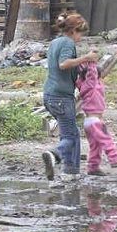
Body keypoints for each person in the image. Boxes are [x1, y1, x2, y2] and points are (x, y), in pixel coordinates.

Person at [41, 13, 98, 181]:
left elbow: (60, 66)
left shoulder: (54, 42)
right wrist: (86, 57)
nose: (81, 38)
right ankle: (54, 154)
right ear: (73, 31)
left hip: (50, 95)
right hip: (61, 97)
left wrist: (81, 66)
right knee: (70, 136)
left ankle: (71, 170)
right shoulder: (67, 42)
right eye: (80, 33)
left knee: (71, 132)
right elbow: (63, 64)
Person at [75, 59, 117, 176]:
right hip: (95, 121)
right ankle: (114, 159)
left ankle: (93, 167)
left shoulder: (82, 85)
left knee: (95, 146)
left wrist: (82, 64)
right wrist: (91, 61)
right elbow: (92, 74)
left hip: (88, 121)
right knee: (106, 139)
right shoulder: (91, 84)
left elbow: (83, 75)